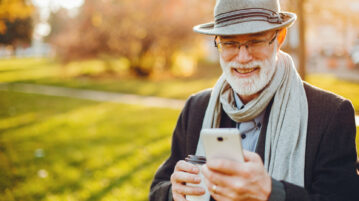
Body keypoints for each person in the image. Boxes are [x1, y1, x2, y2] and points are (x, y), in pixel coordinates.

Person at [149, 0, 359, 200]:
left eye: (255, 41)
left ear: (280, 37)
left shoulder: (330, 114)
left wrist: (271, 192)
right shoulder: (196, 108)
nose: (242, 57)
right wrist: (173, 193)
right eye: (230, 43)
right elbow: (158, 188)